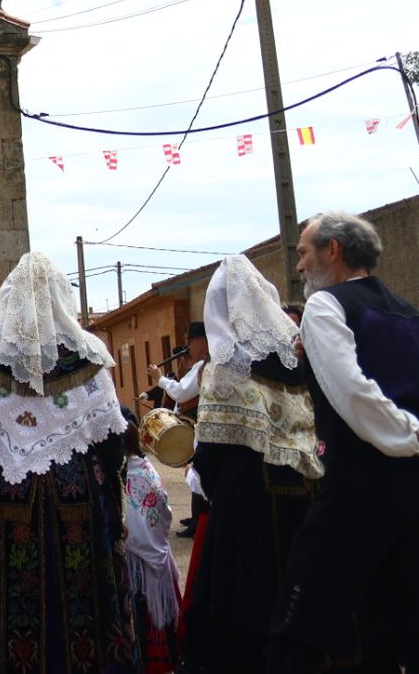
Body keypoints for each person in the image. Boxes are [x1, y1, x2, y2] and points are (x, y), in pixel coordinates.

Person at [0, 251, 135, 672]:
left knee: (5, 597)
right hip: (79, 500)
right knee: (82, 599)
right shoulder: (89, 356)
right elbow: (111, 442)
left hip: (4, 498)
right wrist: (115, 500)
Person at [267, 212, 419, 672]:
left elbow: (358, 394)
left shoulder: (325, 306)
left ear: (332, 250)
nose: (299, 266)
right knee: (410, 622)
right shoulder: (408, 312)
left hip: (361, 486)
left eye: (303, 252)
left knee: (297, 621)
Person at [178, 255, 320, 673]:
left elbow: (210, 454)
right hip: (303, 495)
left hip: (247, 504)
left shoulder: (227, 368)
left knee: (244, 609)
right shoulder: (296, 360)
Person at [119, 409, 180, 674]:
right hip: (157, 556)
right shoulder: (146, 468)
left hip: (135, 563)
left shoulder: (124, 475)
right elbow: (164, 512)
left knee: (138, 618)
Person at [149, 322, 208, 536]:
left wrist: (159, 379)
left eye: (190, 341)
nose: (187, 346)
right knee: (197, 474)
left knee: (200, 474)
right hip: (198, 427)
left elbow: (182, 392)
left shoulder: (204, 366)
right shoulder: (198, 366)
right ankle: (197, 520)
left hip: (203, 430)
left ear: (204, 341)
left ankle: (199, 523)